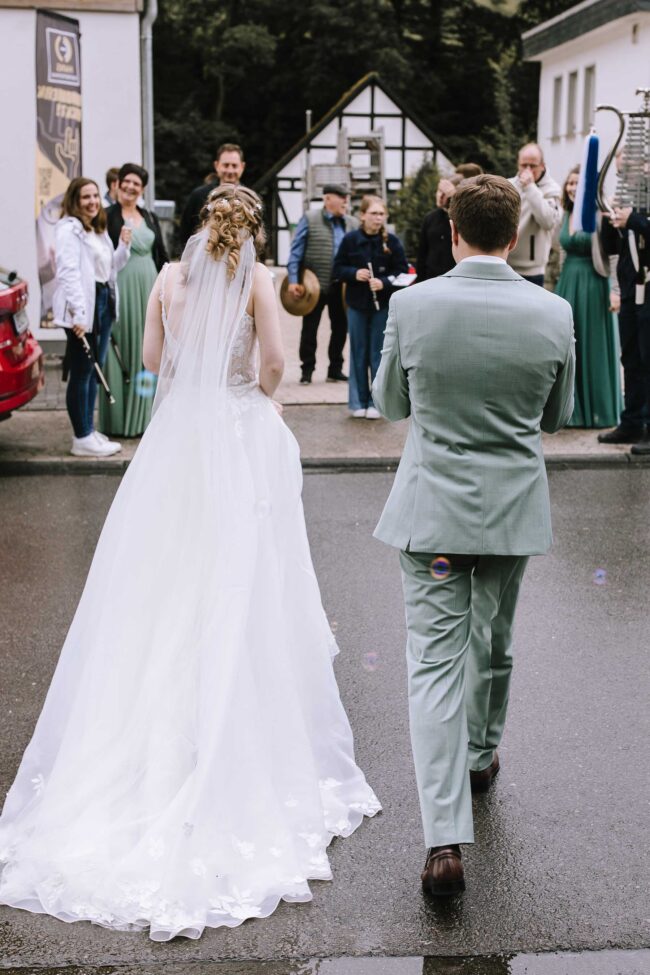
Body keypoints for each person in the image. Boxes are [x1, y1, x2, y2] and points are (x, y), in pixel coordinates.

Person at [0, 184, 380, 940]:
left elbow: (149, 359)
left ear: (202, 219)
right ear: (249, 228)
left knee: (158, 583)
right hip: (237, 433)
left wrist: (192, 367)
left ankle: (150, 735)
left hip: (177, 439)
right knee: (243, 582)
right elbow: (276, 361)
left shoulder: (172, 277)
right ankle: (234, 726)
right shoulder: (258, 280)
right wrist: (257, 398)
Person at [371, 175, 575, 897]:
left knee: (433, 665)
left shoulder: (412, 304)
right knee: (495, 641)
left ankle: (444, 840)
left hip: (432, 512)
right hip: (513, 510)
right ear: (515, 235)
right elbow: (556, 417)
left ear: (453, 230)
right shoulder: (553, 311)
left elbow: (389, 401)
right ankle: (483, 754)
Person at [52, 177, 131, 457]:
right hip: (84, 307)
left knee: (93, 371)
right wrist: (79, 314)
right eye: (86, 197)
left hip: (103, 301)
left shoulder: (96, 229)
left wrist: (123, 247)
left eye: (95, 196)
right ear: (75, 200)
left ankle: (89, 429)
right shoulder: (68, 230)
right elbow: (68, 272)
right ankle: (81, 436)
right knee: (83, 372)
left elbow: (111, 268)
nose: (92, 202)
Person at [101, 163, 169, 437]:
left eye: (136, 184)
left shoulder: (149, 216)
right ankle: (117, 422)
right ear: (117, 184)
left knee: (148, 349)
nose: (130, 187)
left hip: (148, 288)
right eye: (126, 182)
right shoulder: (105, 216)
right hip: (120, 288)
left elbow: (161, 255)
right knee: (119, 351)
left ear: (142, 189)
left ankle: (144, 420)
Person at [555, 166, 621, 428]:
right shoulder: (566, 214)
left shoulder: (600, 215)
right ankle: (571, 410)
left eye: (577, 184)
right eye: (569, 183)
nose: (572, 188)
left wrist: (615, 290)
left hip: (594, 285)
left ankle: (598, 411)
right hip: (568, 283)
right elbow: (561, 253)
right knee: (568, 346)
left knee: (592, 345)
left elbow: (614, 256)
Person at [333, 195, 408, 418]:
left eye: (381, 214)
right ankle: (358, 402)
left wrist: (383, 282)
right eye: (374, 213)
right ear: (362, 215)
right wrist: (354, 273)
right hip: (356, 304)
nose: (378, 218)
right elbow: (337, 269)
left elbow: (403, 272)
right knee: (358, 352)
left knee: (378, 354)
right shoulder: (351, 240)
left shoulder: (392, 242)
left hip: (382, 306)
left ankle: (376, 403)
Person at [287, 183, 358, 384]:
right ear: (327, 199)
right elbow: (296, 251)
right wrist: (293, 280)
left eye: (346, 197)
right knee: (310, 328)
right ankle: (306, 370)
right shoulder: (310, 218)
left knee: (340, 328)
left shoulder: (352, 223)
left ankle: (335, 369)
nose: (345, 200)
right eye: (341, 196)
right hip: (313, 285)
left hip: (342, 286)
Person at [599, 204, 650, 450]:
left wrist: (635, 220)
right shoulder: (630, 204)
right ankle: (631, 422)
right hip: (630, 289)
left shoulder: (639, 212)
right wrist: (609, 223)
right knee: (630, 358)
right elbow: (611, 248)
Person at [508, 142, 562, 285]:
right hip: (505, 265)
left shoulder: (552, 190)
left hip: (532, 271)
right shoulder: (509, 186)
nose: (527, 170)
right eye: (523, 165)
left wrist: (530, 188)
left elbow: (548, 222)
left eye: (532, 166)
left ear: (542, 165)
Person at [178, 143, 246, 247]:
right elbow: (185, 232)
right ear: (216, 165)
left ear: (242, 166)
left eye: (234, 165)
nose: (230, 170)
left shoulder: (249, 199)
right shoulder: (199, 195)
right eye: (226, 165)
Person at [416, 174, 462, 282]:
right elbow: (422, 252)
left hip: (455, 278)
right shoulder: (430, 218)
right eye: (439, 191)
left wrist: (454, 197)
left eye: (445, 192)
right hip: (431, 278)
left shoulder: (462, 218)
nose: (440, 195)